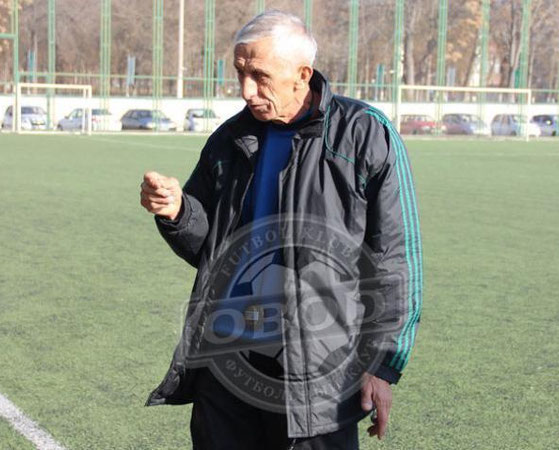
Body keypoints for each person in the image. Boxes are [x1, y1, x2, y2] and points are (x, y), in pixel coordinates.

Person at [139, 10, 423, 450]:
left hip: (321, 372)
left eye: (259, 76)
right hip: (227, 360)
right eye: (240, 73)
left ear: (302, 76)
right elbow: (209, 248)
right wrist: (178, 212)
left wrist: (383, 366)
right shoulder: (230, 138)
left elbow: (395, 260)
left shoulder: (364, 134)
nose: (246, 90)